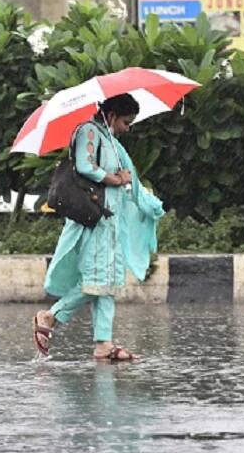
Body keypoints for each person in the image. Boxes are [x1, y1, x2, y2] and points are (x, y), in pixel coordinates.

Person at [33, 93, 165, 361]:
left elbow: (130, 182)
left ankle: (104, 343)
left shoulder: (111, 141)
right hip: (95, 222)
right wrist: (114, 179)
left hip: (110, 222)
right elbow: (85, 165)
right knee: (96, 282)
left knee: (108, 282)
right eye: (126, 122)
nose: (128, 128)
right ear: (113, 116)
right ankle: (50, 316)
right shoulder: (88, 131)